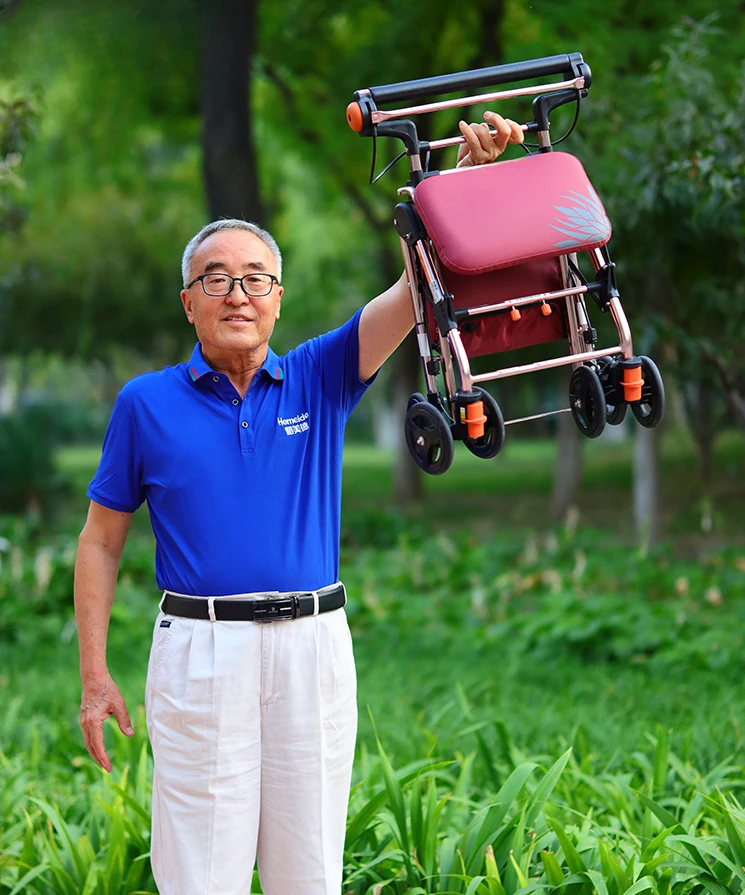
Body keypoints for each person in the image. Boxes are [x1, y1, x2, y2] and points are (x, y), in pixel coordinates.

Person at [75, 112, 524, 895]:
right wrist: (93, 672)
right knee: (198, 877)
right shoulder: (145, 404)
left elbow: (416, 288)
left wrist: (452, 182)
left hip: (313, 646)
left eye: (255, 277)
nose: (236, 292)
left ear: (278, 299)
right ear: (189, 302)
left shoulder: (322, 374)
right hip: (200, 652)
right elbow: (100, 540)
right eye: (216, 277)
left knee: (308, 873)